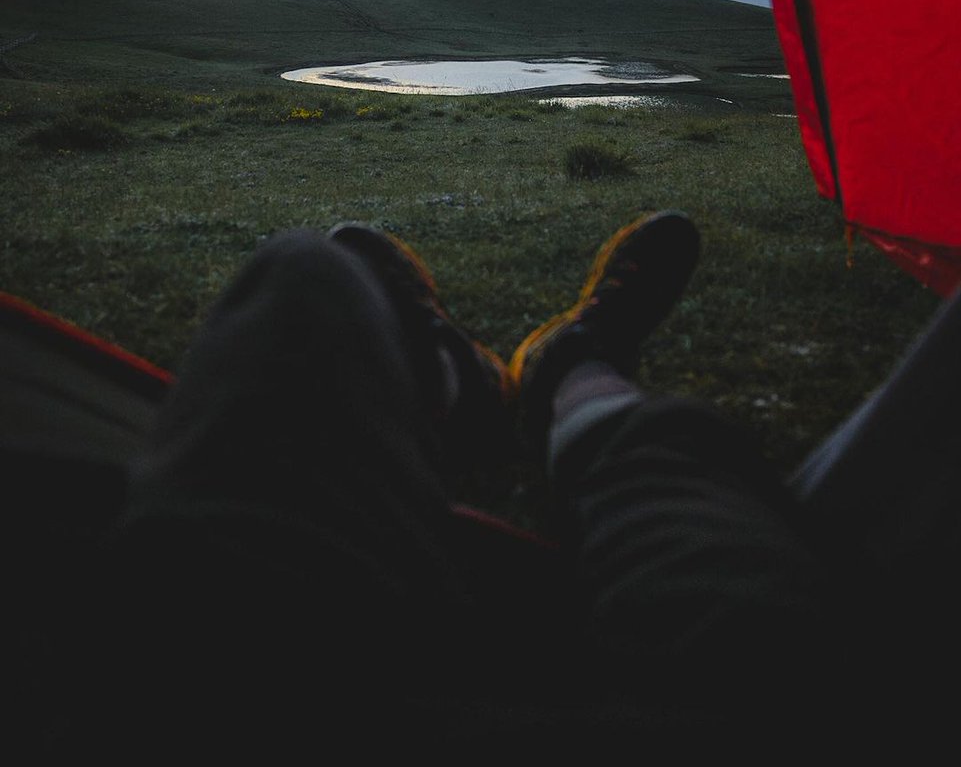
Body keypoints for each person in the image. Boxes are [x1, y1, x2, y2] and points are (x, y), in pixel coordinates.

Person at [43, 212, 955, 755]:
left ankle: (454, 375)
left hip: (237, 691)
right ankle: (574, 370)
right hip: (725, 716)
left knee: (306, 274)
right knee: (702, 536)